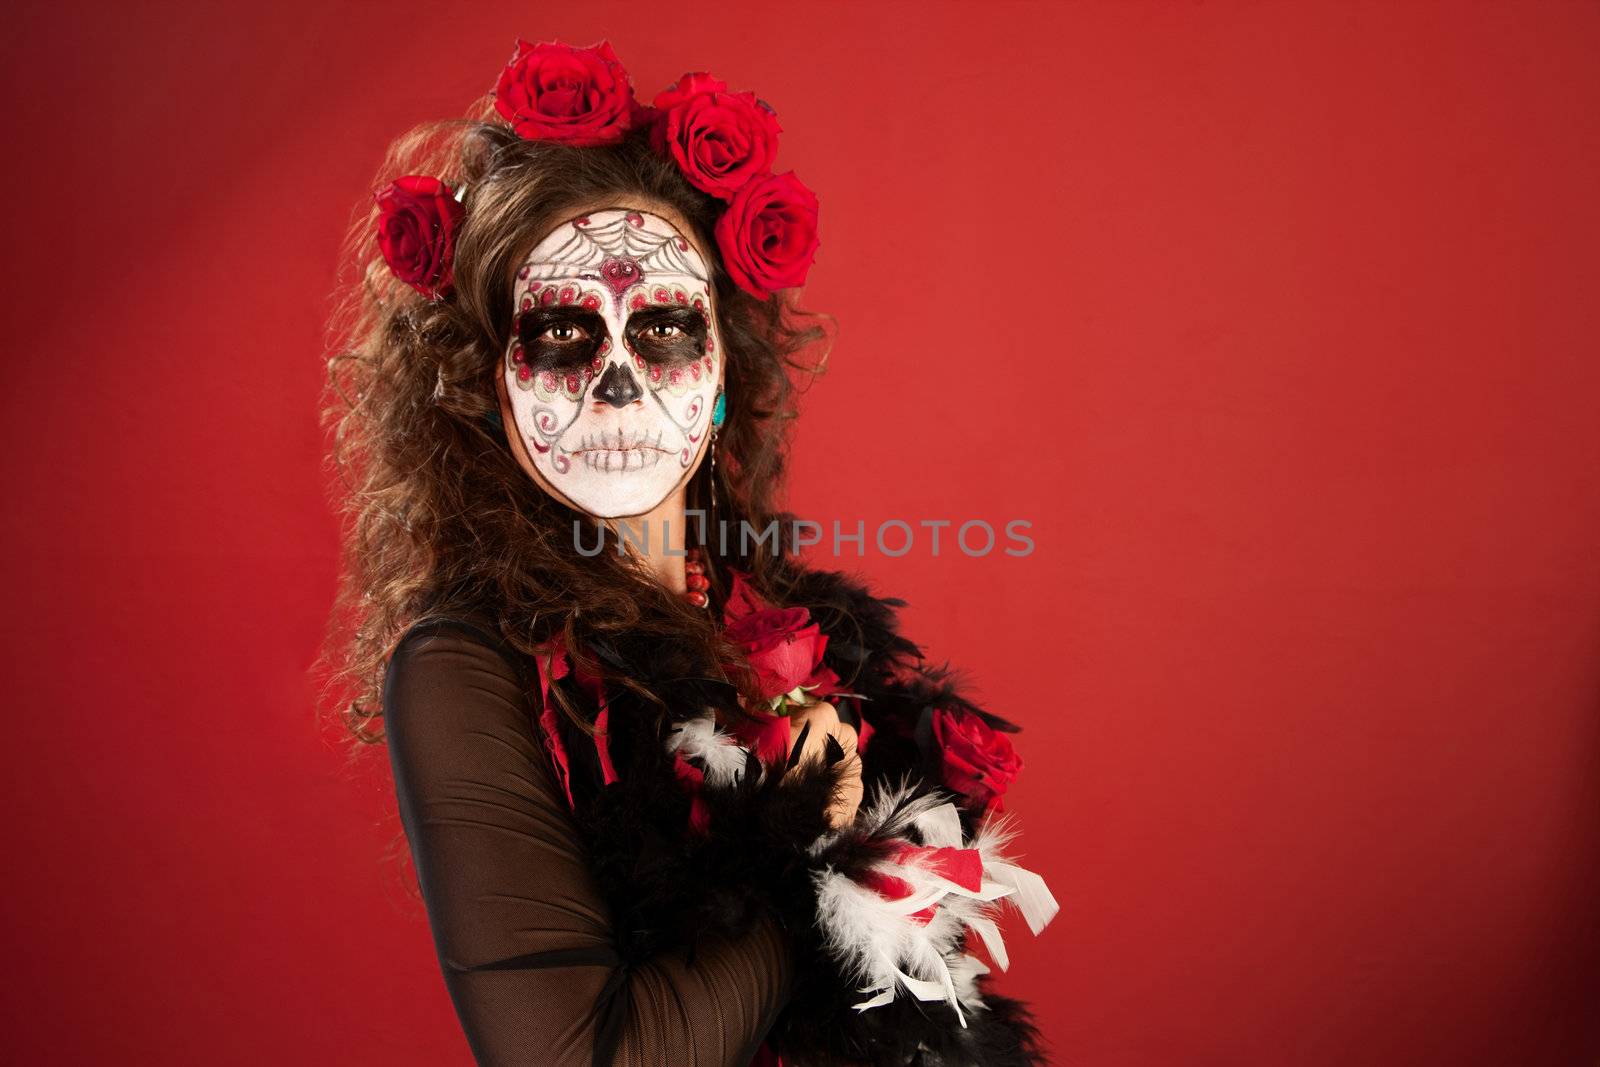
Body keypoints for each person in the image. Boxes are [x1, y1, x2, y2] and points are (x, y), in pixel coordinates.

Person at [321, 38, 1058, 1067]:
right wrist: (818, 855)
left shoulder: (778, 614)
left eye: (663, 326)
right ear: (495, 383)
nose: (619, 381)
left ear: (718, 379)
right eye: (565, 335)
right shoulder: (468, 666)